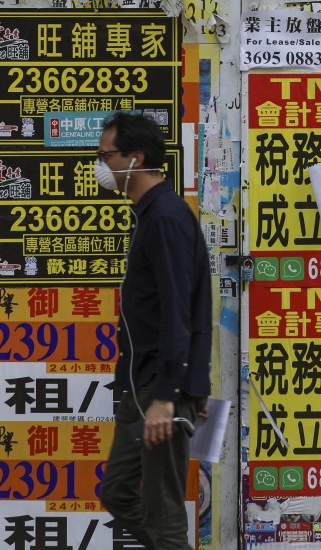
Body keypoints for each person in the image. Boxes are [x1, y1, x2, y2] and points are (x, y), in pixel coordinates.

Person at [96, 111, 212, 550]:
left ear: (134, 157)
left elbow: (179, 309)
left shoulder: (165, 216)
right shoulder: (152, 213)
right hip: (142, 384)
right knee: (118, 490)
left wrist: (172, 394)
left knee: (164, 512)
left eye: (105, 155)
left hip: (157, 390)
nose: (100, 166)